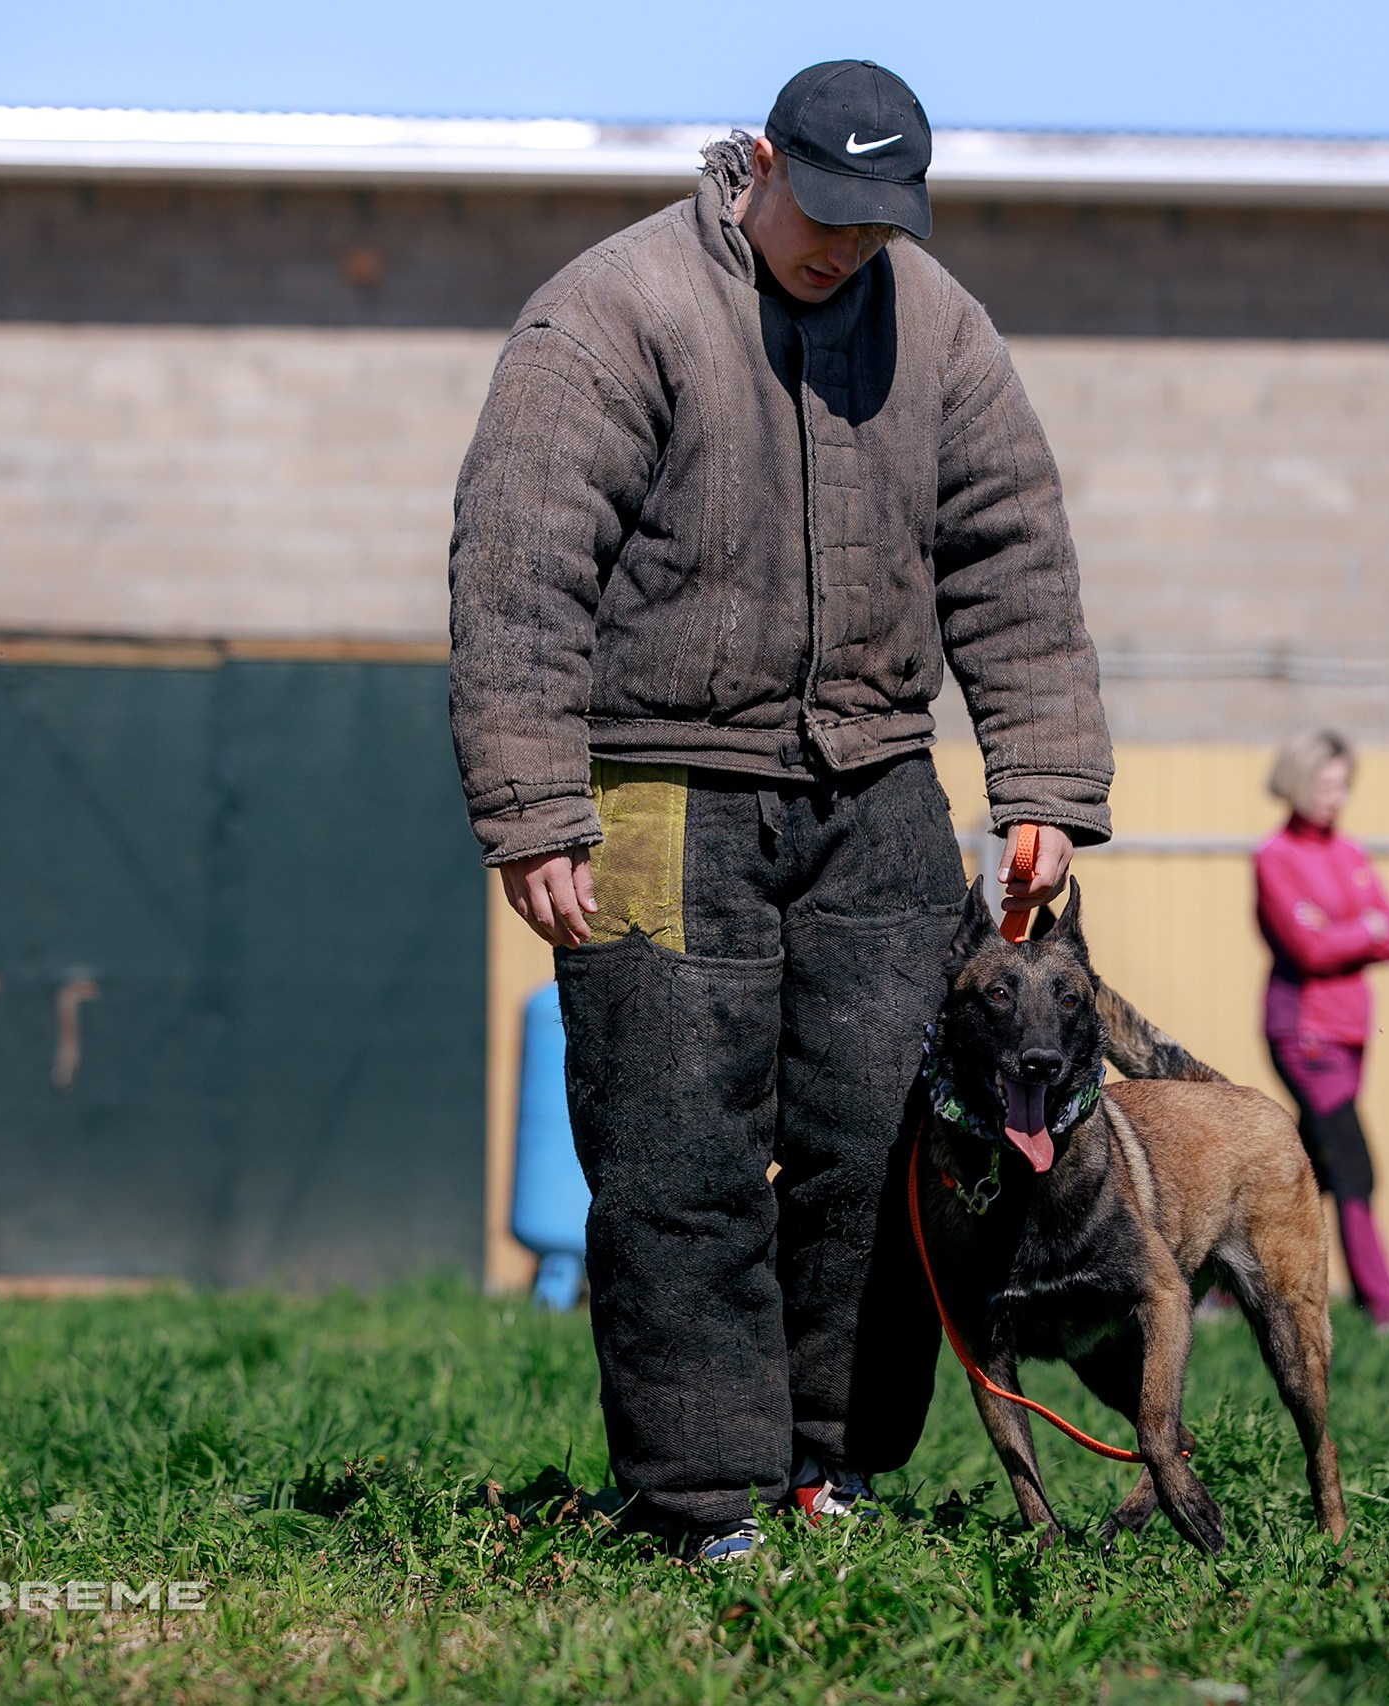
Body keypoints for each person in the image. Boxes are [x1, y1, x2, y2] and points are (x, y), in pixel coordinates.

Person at [445, 60, 1114, 1562]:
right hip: (658, 788)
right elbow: (519, 564)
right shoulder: (613, 311)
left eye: (881, 224)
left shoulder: (937, 324)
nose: (849, 248)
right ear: (757, 163)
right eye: (827, 215)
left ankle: (835, 1468)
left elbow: (1011, 549)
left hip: (879, 787)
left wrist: (1046, 781)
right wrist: (534, 803)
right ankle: (698, 1501)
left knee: (888, 1142)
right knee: (677, 1153)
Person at [1254, 728, 1389, 1336]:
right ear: (1299, 783)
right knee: (1353, 1168)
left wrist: (1344, 931)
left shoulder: (1350, 853)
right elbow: (1308, 947)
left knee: (1303, 1173)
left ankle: (1220, 1292)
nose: (1336, 797)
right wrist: (1359, 930)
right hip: (1306, 1036)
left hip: (1351, 1033)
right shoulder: (1275, 857)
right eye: (1326, 784)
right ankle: (1386, 1309)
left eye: (1343, 785)